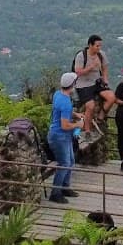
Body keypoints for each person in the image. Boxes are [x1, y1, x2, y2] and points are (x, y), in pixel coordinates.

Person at [48, 71, 84, 203]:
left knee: (71, 161)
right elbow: (64, 125)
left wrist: (75, 115)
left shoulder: (59, 94)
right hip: (60, 136)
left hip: (62, 136)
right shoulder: (66, 102)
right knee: (64, 163)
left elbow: (63, 112)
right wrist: (78, 124)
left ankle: (65, 187)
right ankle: (55, 193)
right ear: (72, 84)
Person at [71, 35, 117, 141]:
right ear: (90, 45)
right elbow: (78, 72)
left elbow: (105, 68)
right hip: (83, 84)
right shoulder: (81, 56)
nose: (99, 48)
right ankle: (87, 130)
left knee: (111, 97)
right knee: (90, 106)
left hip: (97, 82)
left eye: (100, 46)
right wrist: (91, 67)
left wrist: (105, 80)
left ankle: (100, 117)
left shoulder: (101, 55)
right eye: (97, 46)